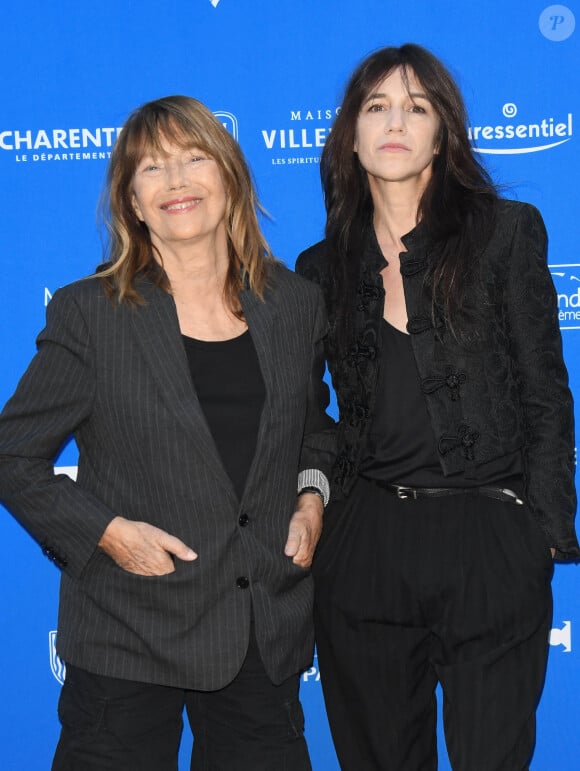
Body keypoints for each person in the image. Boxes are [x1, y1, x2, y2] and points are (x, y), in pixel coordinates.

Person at [0, 95, 335, 770]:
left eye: (193, 158)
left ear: (229, 175)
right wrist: (106, 533)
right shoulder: (89, 314)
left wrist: (311, 496)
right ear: (131, 200)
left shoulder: (295, 302)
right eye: (152, 168)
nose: (177, 181)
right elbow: (13, 454)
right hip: (128, 630)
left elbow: (313, 428)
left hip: (255, 632)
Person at [296, 44, 579, 771]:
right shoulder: (319, 269)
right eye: (376, 107)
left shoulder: (506, 234)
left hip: (489, 535)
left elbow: (545, 390)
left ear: (442, 132)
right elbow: (310, 416)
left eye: (416, 107)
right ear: (349, 136)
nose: (396, 122)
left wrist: (540, 529)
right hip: (366, 545)